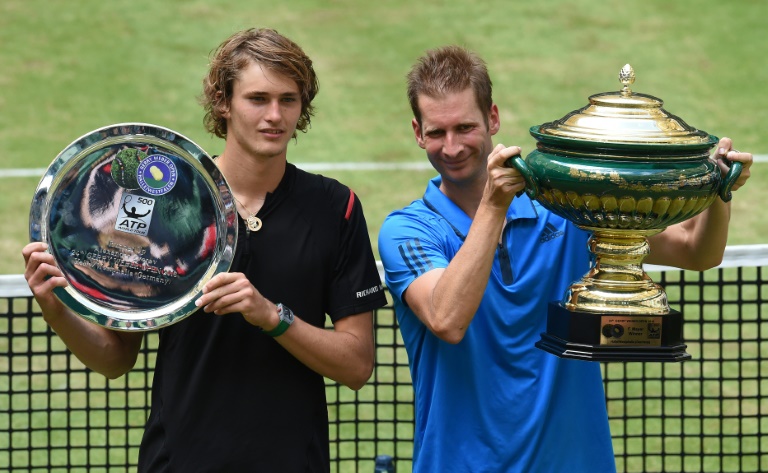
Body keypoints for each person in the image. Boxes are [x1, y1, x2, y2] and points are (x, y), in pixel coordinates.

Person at [22, 28, 387, 472]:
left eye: (288, 100)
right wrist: (57, 307)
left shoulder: (336, 208)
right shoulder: (156, 200)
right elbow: (115, 358)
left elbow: (357, 365)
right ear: (223, 102)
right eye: (257, 98)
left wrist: (272, 317)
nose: (275, 116)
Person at [378, 45, 753, 472]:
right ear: (417, 132)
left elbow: (695, 251)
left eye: (465, 127)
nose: (451, 146)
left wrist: (718, 193)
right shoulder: (406, 231)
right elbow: (447, 318)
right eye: (436, 132)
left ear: (493, 119)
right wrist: (494, 206)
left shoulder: (563, 204)